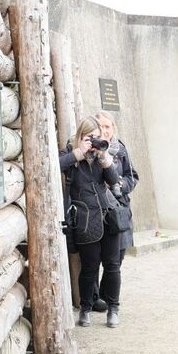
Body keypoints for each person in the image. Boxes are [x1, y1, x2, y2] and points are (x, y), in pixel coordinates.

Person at [59, 116, 120, 328]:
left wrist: (105, 159)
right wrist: (78, 153)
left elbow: (113, 182)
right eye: (89, 138)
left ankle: (113, 309)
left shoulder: (101, 154)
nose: (93, 141)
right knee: (89, 268)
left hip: (108, 217)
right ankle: (85, 308)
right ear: (80, 137)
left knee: (112, 266)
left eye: (96, 137)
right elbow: (56, 165)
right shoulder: (70, 153)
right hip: (85, 220)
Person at [92, 110, 140, 328]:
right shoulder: (89, 148)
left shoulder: (120, 150)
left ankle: (107, 297)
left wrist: (121, 185)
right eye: (100, 126)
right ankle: (94, 300)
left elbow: (132, 176)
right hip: (95, 211)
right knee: (92, 260)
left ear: (113, 128)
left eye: (108, 126)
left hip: (118, 211)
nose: (104, 130)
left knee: (115, 260)